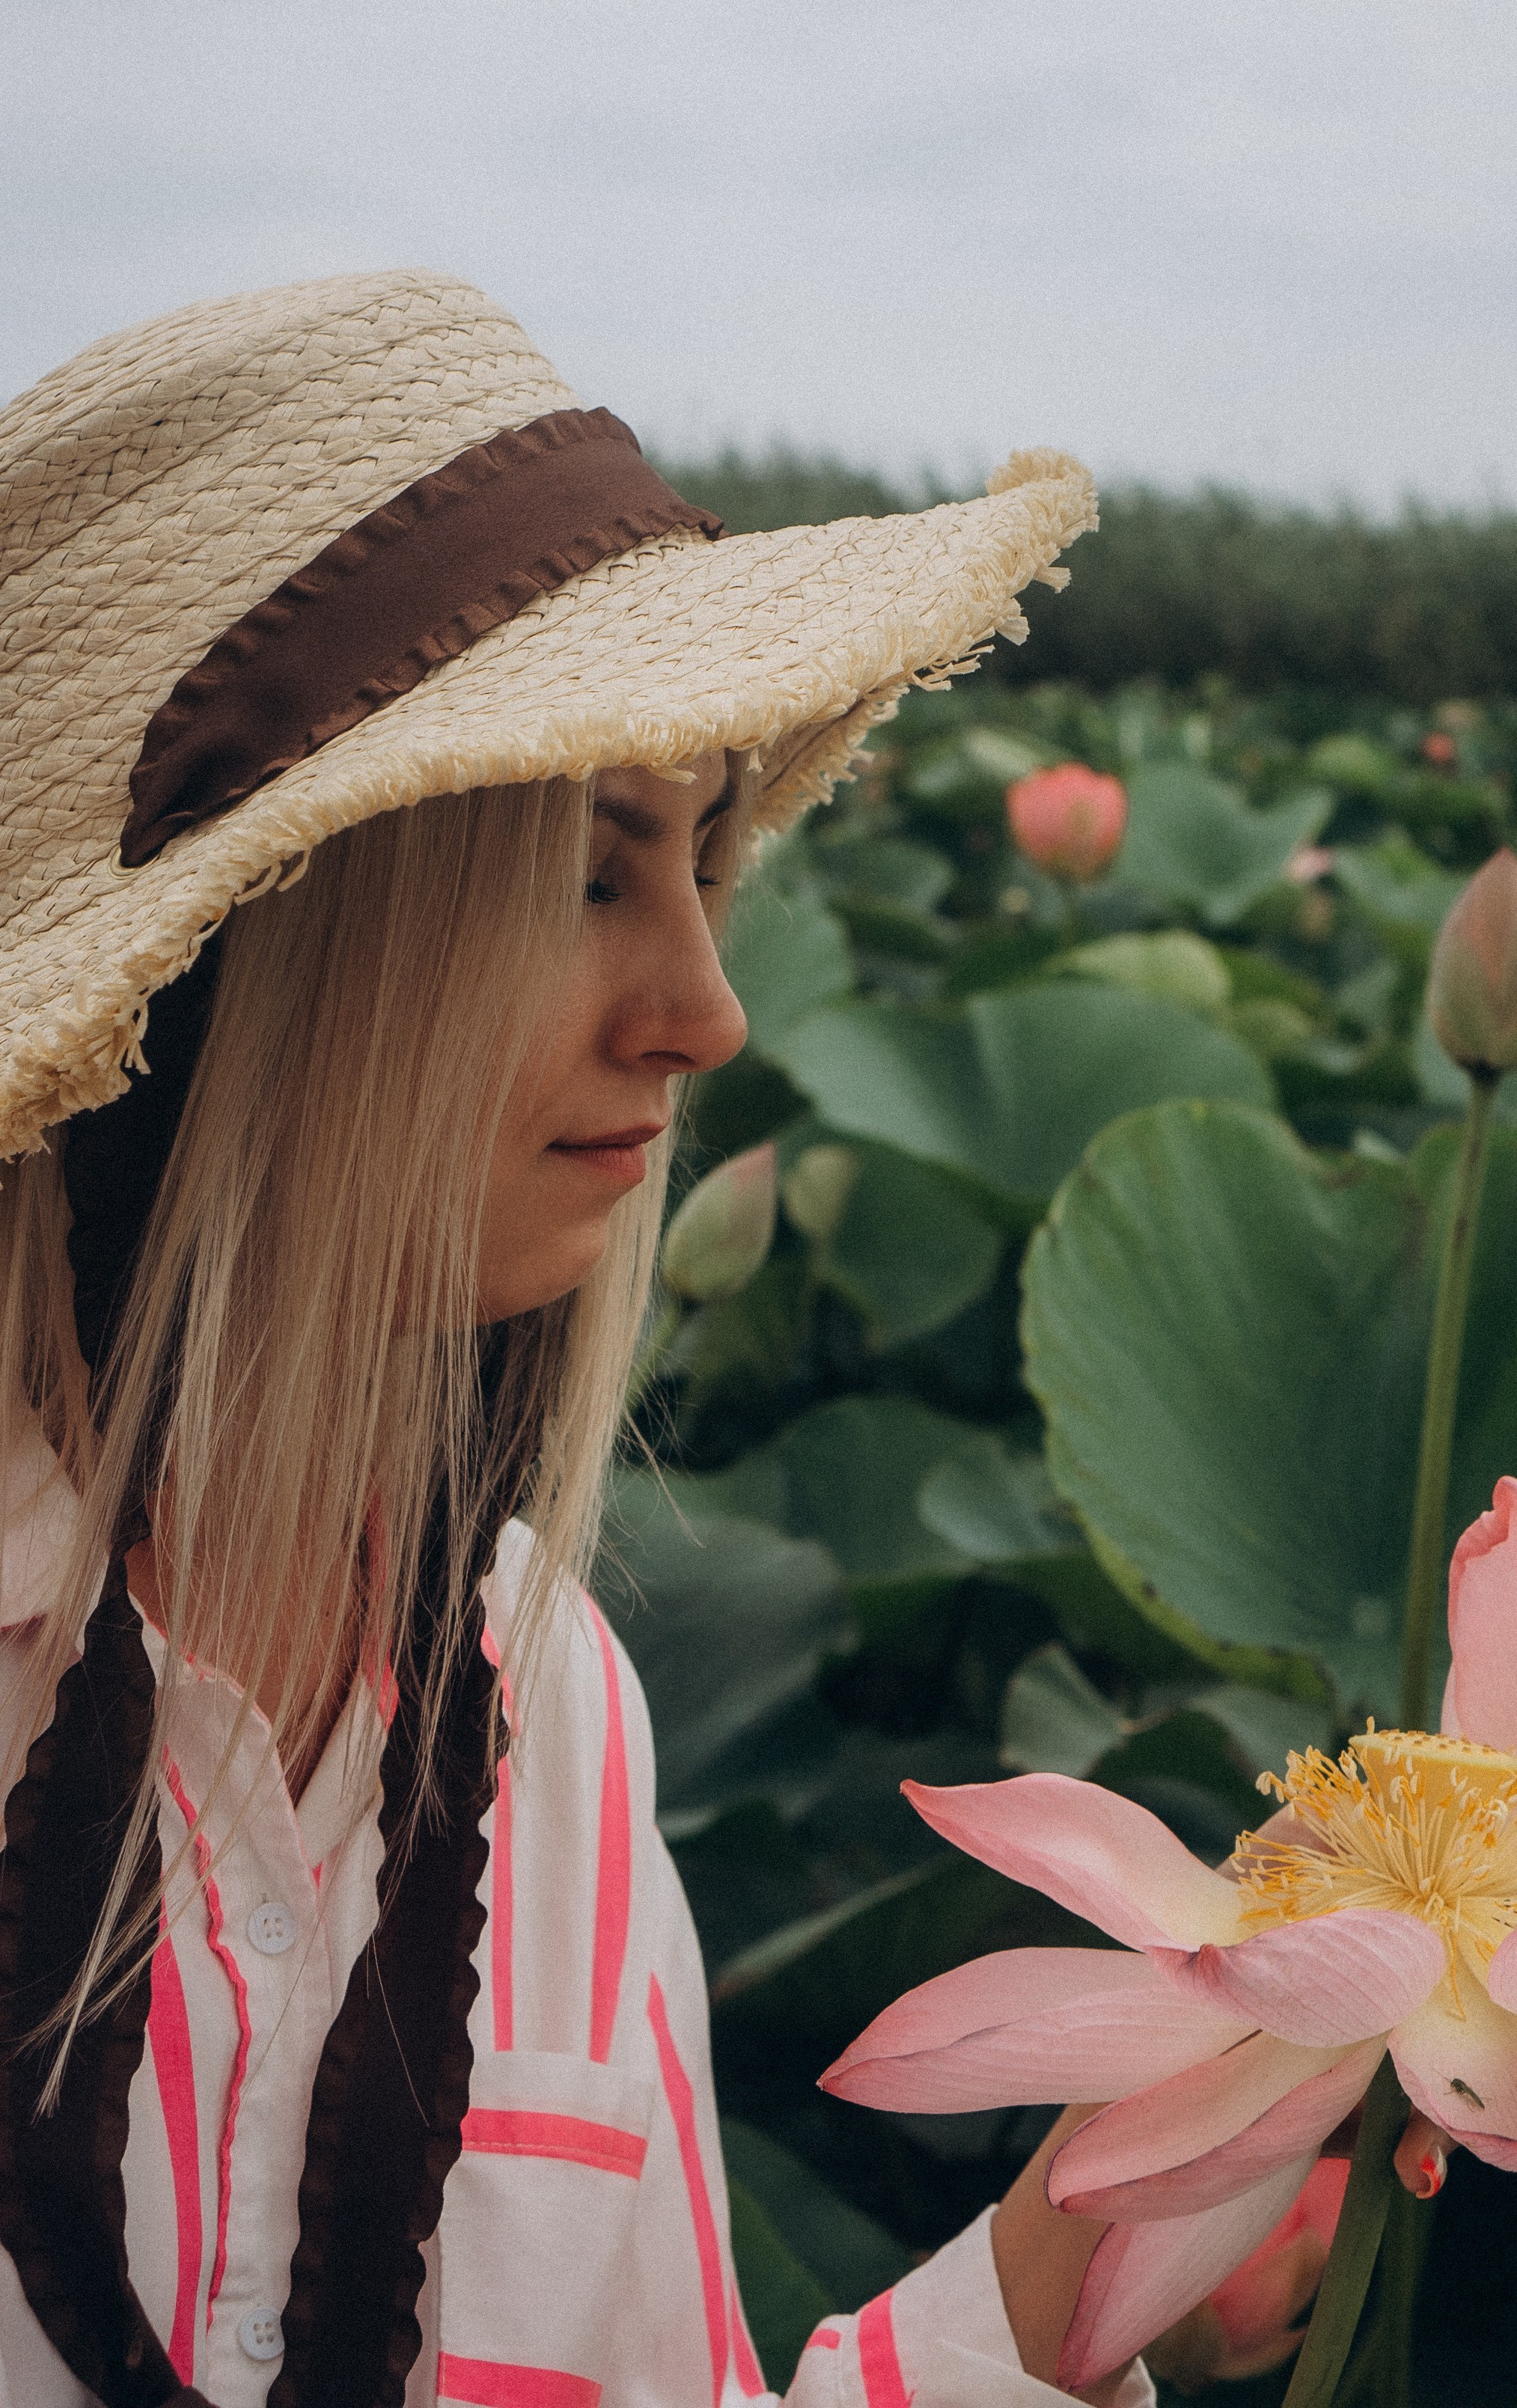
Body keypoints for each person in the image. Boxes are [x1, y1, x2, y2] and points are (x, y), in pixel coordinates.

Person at [0, 269, 1141, 2405]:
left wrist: (1053, 2295)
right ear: (256, 943)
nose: (709, 1013)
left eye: (705, 860)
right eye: (591, 874)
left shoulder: (550, 1712)